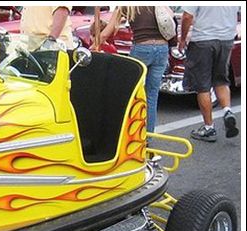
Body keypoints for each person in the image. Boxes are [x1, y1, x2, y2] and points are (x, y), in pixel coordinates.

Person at [97, 6, 172, 133]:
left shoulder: (126, 6)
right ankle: (147, 136)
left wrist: (94, 45)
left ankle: (129, 133)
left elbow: (106, 33)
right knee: (152, 96)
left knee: (131, 93)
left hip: (142, 48)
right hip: (162, 48)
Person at [178, 6, 239, 142]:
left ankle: (209, 128)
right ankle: (227, 111)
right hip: (226, 39)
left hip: (203, 40)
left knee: (203, 86)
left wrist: (182, 40)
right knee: (221, 80)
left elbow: (187, 16)